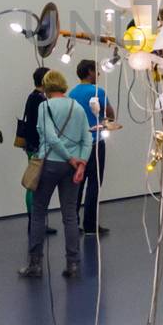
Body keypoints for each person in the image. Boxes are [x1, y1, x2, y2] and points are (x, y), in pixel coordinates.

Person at [21, 70, 90, 278]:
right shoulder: (77, 107)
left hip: (50, 164)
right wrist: (80, 164)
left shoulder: (45, 106)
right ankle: (73, 264)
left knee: (39, 212)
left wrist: (69, 158)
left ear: (46, 86)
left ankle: (35, 264)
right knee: (70, 215)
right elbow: (87, 139)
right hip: (72, 168)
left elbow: (50, 138)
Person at [68, 59, 118, 236]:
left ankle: (73, 223)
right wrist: (106, 122)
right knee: (94, 184)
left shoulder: (71, 93)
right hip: (96, 143)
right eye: (96, 71)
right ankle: (90, 225)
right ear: (89, 71)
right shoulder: (97, 91)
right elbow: (110, 114)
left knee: (77, 185)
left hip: (77, 145)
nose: (98, 74)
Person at [14, 67, 54, 236]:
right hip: (37, 146)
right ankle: (35, 221)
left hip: (31, 145)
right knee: (34, 184)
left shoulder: (33, 97)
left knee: (33, 183)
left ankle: (35, 221)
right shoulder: (39, 100)